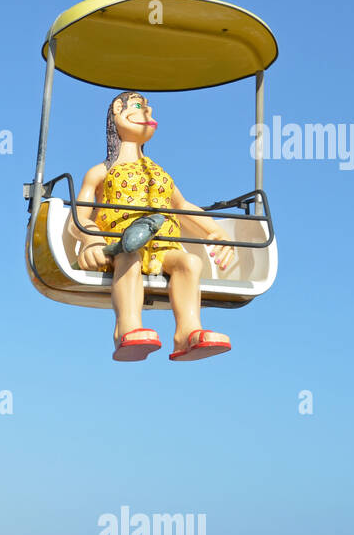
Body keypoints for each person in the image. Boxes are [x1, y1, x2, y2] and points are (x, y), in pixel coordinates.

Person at [68, 92, 236, 361]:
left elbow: (182, 206)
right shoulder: (101, 172)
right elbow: (78, 218)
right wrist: (91, 240)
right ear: (117, 111)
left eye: (147, 106)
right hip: (121, 244)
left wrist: (213, 230)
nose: (147, 111)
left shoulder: (159, 173)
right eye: (138, 105)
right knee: (129, 257)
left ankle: (187, 333)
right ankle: (127, 327)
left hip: (161, 247)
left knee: (189, 263)